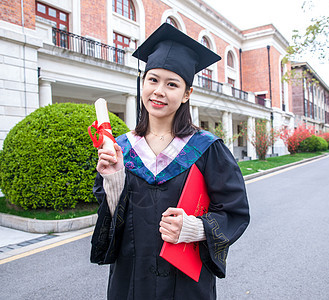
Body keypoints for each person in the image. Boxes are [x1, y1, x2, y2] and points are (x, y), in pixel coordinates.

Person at [90, 23, 250, 299]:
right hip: (130, 280)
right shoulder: (121, 148)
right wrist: (114, 180)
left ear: (187, 94)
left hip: (185, 284)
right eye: (152, 80)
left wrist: (196, 228)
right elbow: (111, 217)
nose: (159, 91)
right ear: (143, 83)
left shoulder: (207, 149)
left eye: (172, 84)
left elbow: (235, 212)